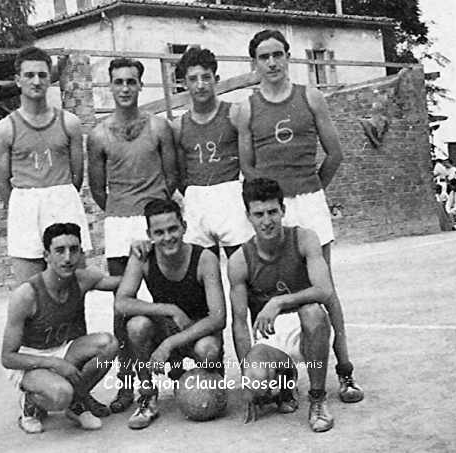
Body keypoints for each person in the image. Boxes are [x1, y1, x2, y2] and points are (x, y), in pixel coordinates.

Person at [235, 29, 363, 403]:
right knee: (275, 285)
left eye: (278, 54)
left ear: (289, 56)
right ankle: (280, 372)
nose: (272, 63)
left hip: (308, 200)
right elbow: (248, 166)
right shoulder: (246, 108)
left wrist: (311, 188)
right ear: (254, 63)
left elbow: (334, 154)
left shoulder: (311, 97)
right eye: (264, 56)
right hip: (272, 207)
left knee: (327, 290)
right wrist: (275, 199)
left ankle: (345, 371)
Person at [88, 57, 179, 413]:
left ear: (141, 86)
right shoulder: (98, 134)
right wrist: (122, 209)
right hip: (118, 224)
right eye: (118, 82)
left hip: (153, 222)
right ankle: (128, 386)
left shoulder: (159, 127)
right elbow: (98, 189)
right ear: (110, 86)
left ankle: (172, 361)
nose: (124, 88)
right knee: (121, 309)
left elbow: (172, 177)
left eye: (131, 81)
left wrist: (150, 209)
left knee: (164, 292)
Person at [229, 178, 334, 432]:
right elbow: (240, 322)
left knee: (313, 313)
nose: (267, 221)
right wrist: (247, 376)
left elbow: (324, 290)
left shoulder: (305, 238)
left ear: (283, 211)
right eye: (259, 214)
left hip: (305, 327)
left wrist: (278, 302)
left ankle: (317, 400)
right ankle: (284, 382)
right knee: (256, 381)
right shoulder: (239, 260)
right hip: (269, 334)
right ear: (249, 217)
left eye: (272, 212)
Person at [115, 199, 226, 430]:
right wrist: (168, 309)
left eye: (173, 229)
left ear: (184, 226)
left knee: (208, 350)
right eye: (159, 232)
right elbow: (121, 303)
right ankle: (147, 396)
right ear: (149, 234)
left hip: (196, 330)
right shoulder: (143, 257)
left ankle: (206, 378)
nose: (167, 237)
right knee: (137, 326)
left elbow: (218, 317)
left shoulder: (204, 258)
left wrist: (169, 344)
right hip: (165, 325)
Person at [1, 223, 120, 434]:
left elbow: (122, 282)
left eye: (74, 250)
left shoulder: (82, 279)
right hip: (29, 360)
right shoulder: (26, 295)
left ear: (81, 253)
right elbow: (8, 358)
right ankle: (31, 404)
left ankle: (76, 403)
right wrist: (54, 364)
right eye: (59, 251)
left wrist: (145, 255)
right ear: (46, 255)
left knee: (108, 345)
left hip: (62, 349)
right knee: (60, 394)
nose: (67, 258)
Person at [0, 46, 92, 285]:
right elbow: (3, 184)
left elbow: (77, 176)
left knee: (73, 285)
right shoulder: (5, 129)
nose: (36, 81)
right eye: (29, 75)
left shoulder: (70, 123)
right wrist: (25, 204)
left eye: (42, 75)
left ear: (50, 79)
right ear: (18, 80)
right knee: (30, 290)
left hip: (63, 202)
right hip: (26, 209)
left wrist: (57, 196)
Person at [173, 47, 253, 258]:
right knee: (202, 269)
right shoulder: (178, 126)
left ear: (216, 79)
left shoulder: (234, 113)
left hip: (230, 195)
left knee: (242, 265)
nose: (200, 85)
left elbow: (248, 164)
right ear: (184, 83)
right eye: (193, 79)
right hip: (197, 198)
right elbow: (180, 175)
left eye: (206, 77)